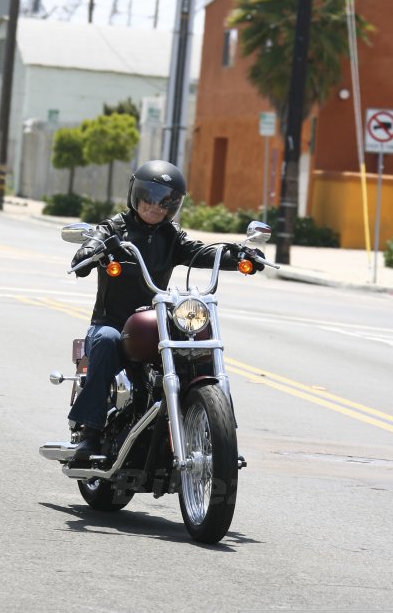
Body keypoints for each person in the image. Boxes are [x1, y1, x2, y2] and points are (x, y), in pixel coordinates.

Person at [67, 159, 263, 461]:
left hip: (156, 324)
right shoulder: (113, 229)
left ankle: (222, 442)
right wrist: (89, 251)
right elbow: (92, 245)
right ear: (136, 194)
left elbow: (201, 250)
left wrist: (237, 254)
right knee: (105, 341)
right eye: (149, 196)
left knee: (198, 349)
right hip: (114, 324)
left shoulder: (171, 237)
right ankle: (90, 432)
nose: (155, 206)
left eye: (166, 201)